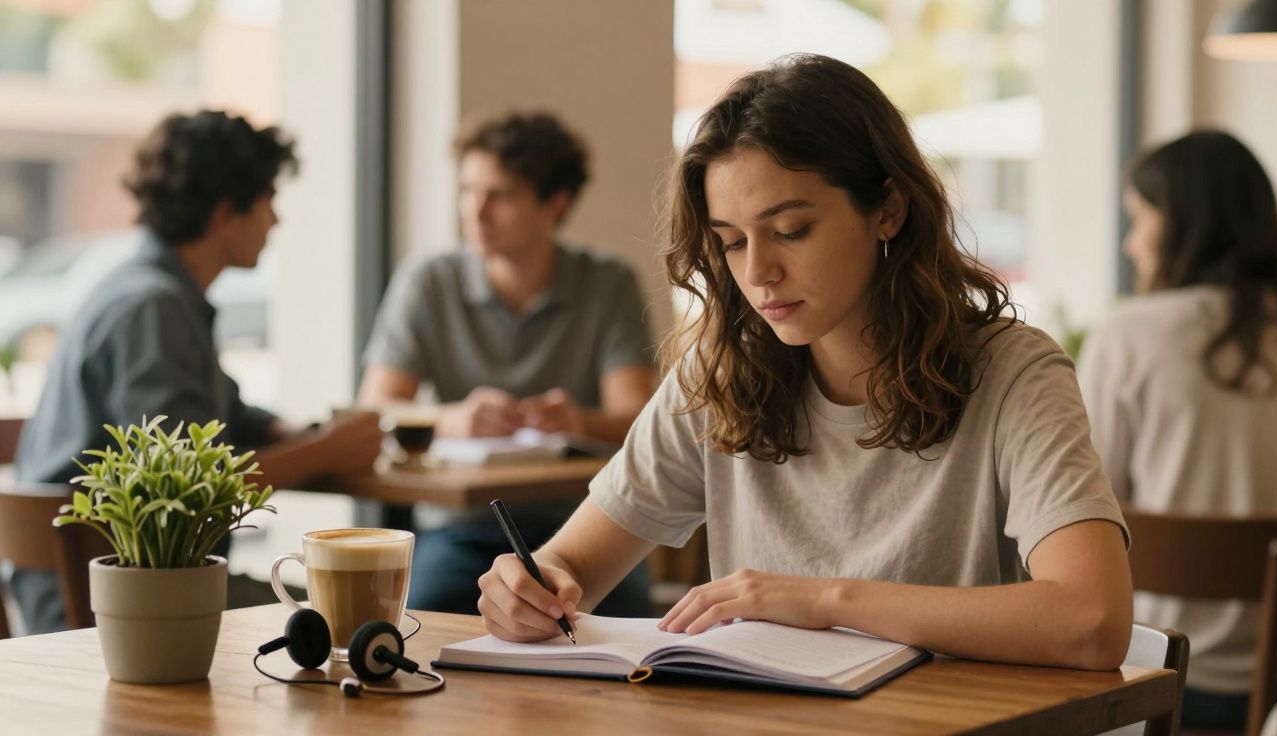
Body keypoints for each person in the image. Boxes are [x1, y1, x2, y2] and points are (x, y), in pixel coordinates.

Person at [475, 53, 1133, 672]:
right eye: (731, 243)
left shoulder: (1014, 373)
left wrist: (822, 601)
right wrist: (531, 588)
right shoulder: (721, 374)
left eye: (791, 231)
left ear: (889, 209)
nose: (757, 272)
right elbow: (570, 567)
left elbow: (1092, 618)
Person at [11, 110, 383, 635]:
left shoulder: (153, 292)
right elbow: (192, 488)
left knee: (346, 608)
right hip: (112, 598)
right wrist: (326, 451)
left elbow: (222, 414)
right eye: (268, 202)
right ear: (225, 213)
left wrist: (292, 432)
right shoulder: (153, 308)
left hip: (124, 584)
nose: (275, 221)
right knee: (356, 615)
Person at [358, 112, 657, 615]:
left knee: (633, 638)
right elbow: (373, 409)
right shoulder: (429, 280)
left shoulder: (607, 283)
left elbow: (639, 417)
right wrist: (451, 420)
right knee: (423, 621)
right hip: (462, 530)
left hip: (586, 524)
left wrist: (578, 420)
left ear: (554, 204)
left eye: (501, 194)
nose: (476, 211)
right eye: (468, 190)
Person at [1079, 130, 1277, 729]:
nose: (1132, 244)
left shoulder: (1130, 334)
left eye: (1140, 218)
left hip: (1157, 675)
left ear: (1181, 221)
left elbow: (1084, 506)